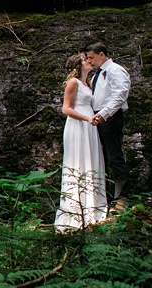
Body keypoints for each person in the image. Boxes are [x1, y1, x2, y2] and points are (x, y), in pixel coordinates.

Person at [54, 53, 107, 231]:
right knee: (78, 162)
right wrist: (86, 118)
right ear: (78, 65)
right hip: (78, 126)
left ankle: (93, 207)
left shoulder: (88, 83)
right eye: (85, 60)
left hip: (90, 126)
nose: (89, 61)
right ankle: (74, 212)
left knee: (91, 160)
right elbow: (66, 108)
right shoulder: (73, 82)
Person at [85, 42, 131, 210]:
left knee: (114, 154)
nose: (90, 61)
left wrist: (104, 114)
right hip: (97, 117)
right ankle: (104, 195)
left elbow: (120, 95)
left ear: (102, 54)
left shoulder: (115, 70)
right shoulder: (98, 74)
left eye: (91, 57)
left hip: (110, 117)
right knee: (101, 156)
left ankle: (122, 196)